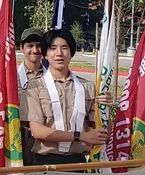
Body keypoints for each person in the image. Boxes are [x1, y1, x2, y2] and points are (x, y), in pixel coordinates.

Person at [24, 27, 107, 167]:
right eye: (53, 48)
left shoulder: (87, 87)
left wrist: (106, 107)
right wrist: (80, 136)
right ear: (45, 54)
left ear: (71, 53)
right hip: (45, 162)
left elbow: (103, 130)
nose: (59, 53)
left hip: (78, 161)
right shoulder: (35, 87)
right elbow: (37, 130)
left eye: (64, 48)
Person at [17, 28, 45, 165]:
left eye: (39, 45)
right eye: (30, 46)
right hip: (18, 136)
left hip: (44, 138)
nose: (35, 50)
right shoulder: (11, 77)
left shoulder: (51, 78)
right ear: (21, 48)